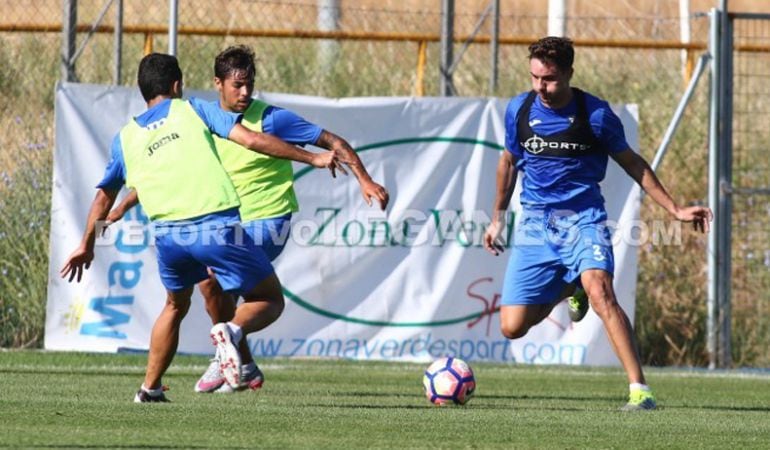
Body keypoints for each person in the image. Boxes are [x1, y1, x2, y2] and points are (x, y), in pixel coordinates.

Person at [106, 45, 390, 394]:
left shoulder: (270, 119)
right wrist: (125, 204)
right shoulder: (200, 119)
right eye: (237, 85)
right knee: (209, 282)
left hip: (269, 220)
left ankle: (226, 345)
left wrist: (364, 178)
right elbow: (170, 170)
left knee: (212, 278)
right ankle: (242, 359)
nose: (245, 93)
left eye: (249, 85)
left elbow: (331, 140)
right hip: (227, 223)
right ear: (218, 84)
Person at [60, 53, 343, 402]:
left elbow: (103, 195)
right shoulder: (194, 109)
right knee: (269, 299)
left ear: (142, 91)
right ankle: (231, 331)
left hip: (168, 239)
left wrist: (86, 243)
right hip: (214, 228)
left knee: (175, 306)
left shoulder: (126, 137)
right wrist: (312, 157)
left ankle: (149, 389)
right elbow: (252, 140)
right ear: (177, 85)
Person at [482, 37, 713, 411]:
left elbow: (633, 163)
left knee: (602, 293)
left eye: (550, 79)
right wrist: (497, 218)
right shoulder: (519, 110)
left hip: (583, 220)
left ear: (570, 73)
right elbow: (508, 162)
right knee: (512, 326)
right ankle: (572, 287)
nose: (541, 87)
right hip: (536, 225)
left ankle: (640, 390)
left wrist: (674, 209)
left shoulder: (595, 115)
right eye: (535, 77)